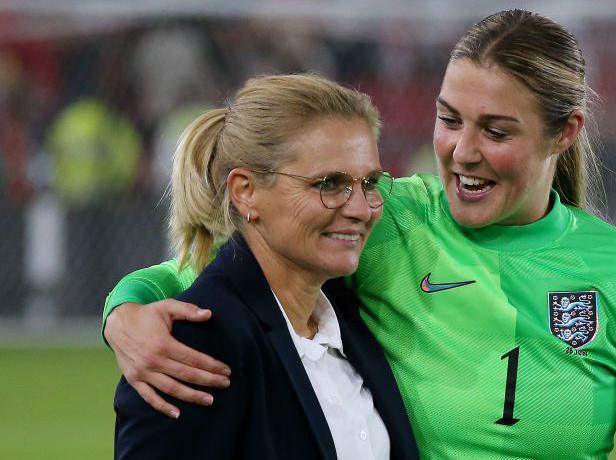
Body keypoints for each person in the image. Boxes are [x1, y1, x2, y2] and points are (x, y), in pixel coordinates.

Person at [104, 10, 616, 459]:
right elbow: (210, 275)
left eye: (496, 131)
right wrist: (124, 314)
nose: (463, 151)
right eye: (449, 119)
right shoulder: (380, 217)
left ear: (565, 132)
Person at [112, 74, 419, 460]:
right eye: (328, 184)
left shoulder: (353, 314)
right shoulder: (193, 348)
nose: (360, 209)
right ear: (246, 192)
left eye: (369, 183)